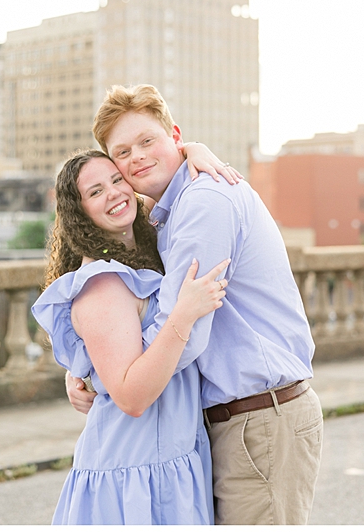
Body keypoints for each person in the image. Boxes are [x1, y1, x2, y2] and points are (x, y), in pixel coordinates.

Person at [68, 84, 323, 525]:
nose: (137, 158)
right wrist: (95, 358)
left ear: (176, 137)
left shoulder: (203, 203)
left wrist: (108, 369)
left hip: (259, 419)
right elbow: (135, 308)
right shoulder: (168, 213)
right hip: (237, 422)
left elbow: (182, 334)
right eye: (122, 152)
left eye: (148, 141)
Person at [32, 149, 233, 525]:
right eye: (95, 192)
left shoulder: (143, 256)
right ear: (80, 213)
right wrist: (183, 315)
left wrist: (195, 150)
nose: (113, 193)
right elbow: (132, 397)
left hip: (169, 460)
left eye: (116, 179)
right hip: (134, 473)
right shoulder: (102, 286)